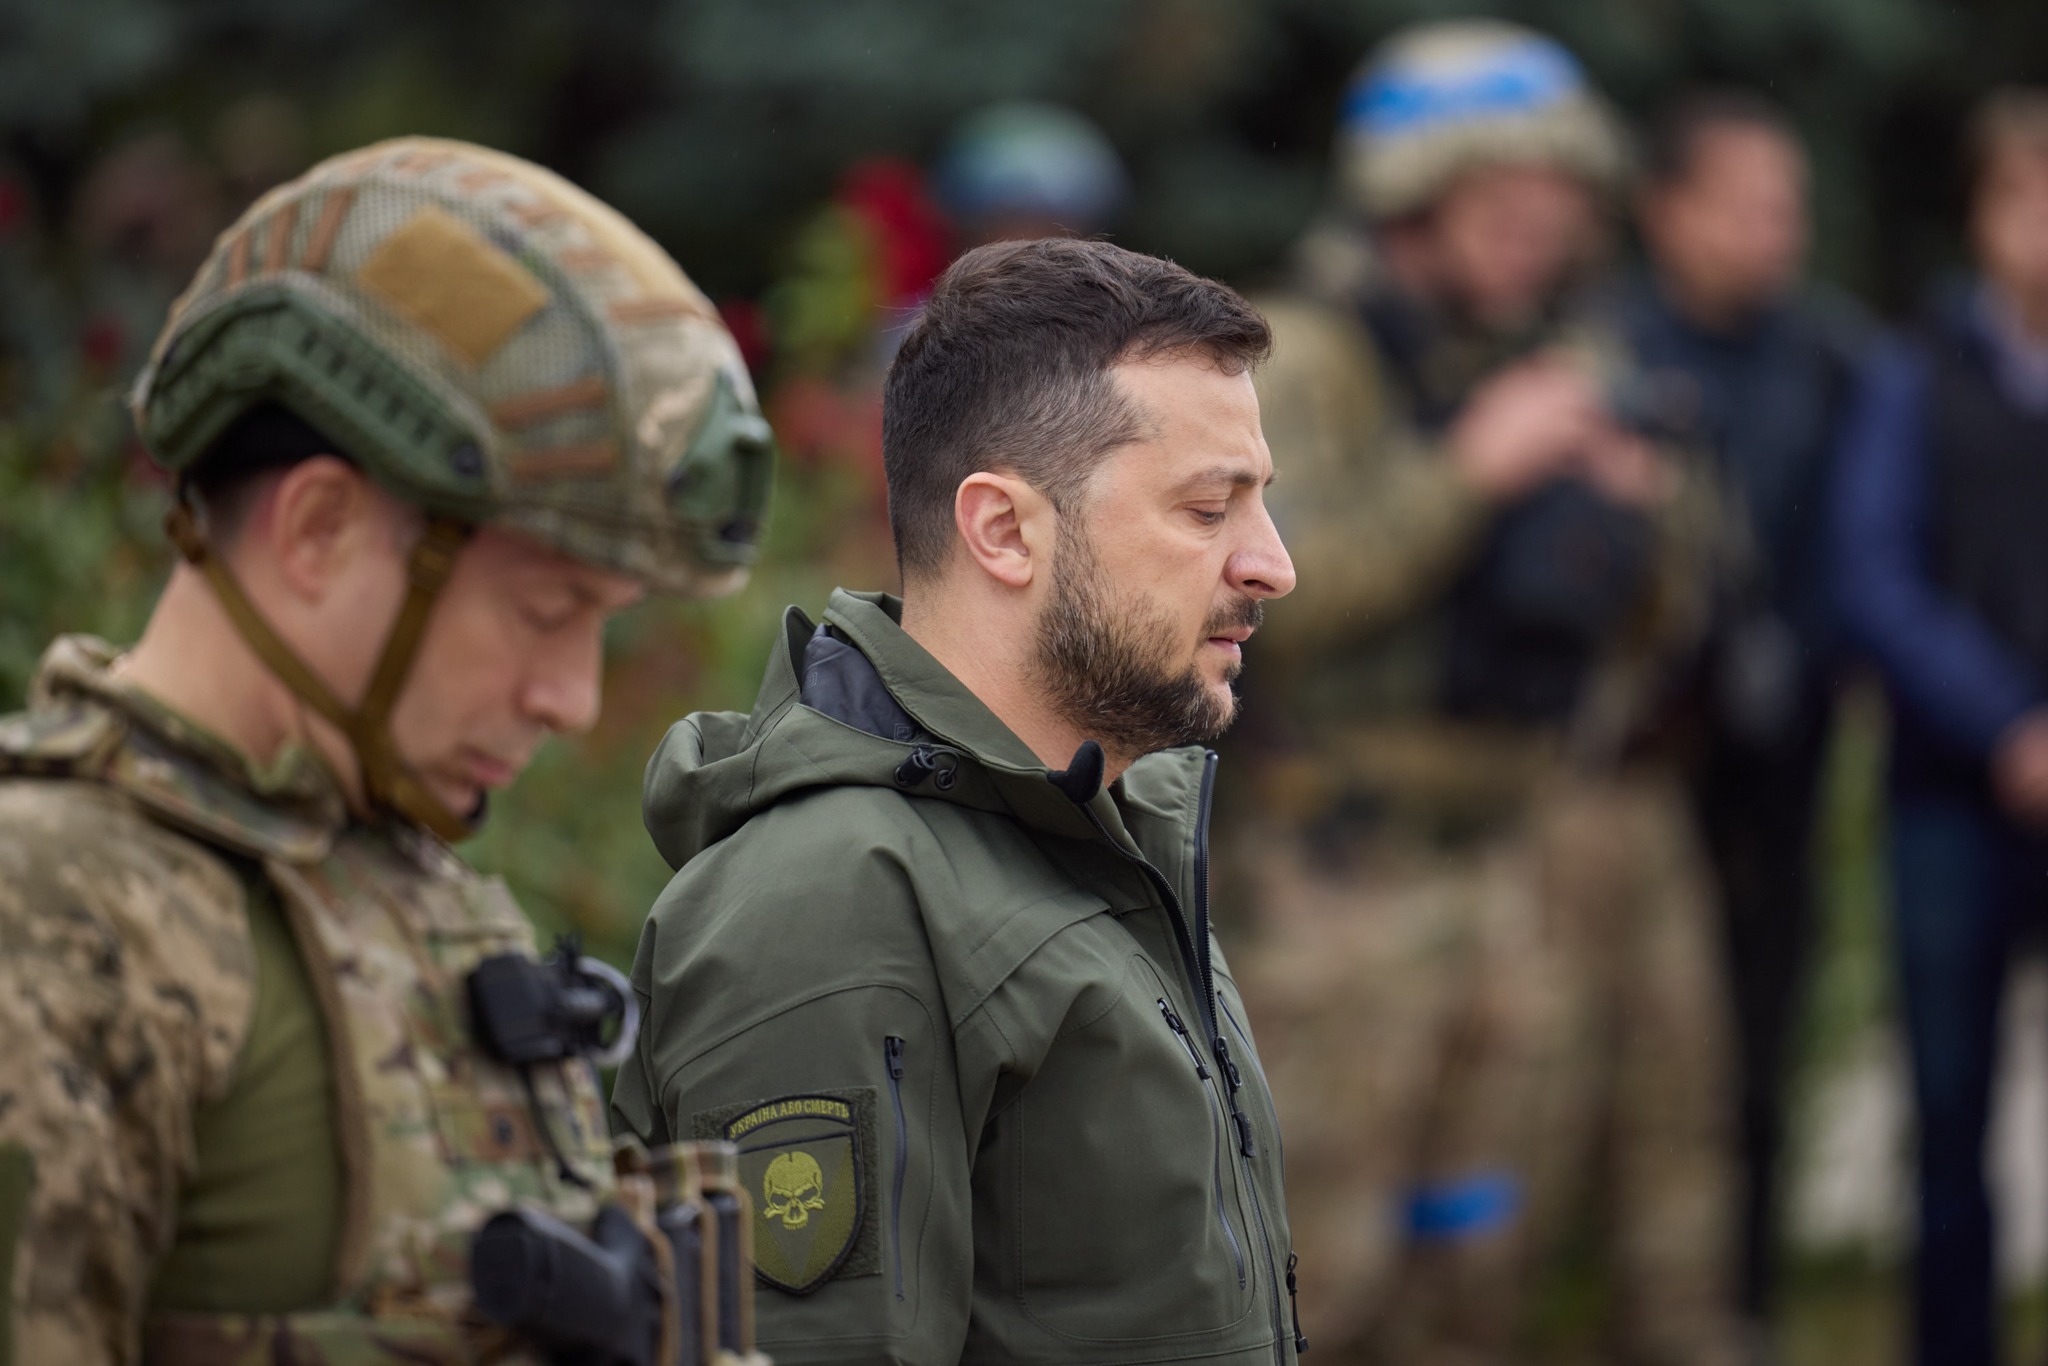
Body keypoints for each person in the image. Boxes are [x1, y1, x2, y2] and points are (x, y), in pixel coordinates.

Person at [0, 136, 772, 1363]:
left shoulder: (395, 881)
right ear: (318, 529)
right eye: (542, 609)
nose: (574, 699)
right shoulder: (51, 910)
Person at [610, 236, 1303, 1365]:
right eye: (1205, 509)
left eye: (1258, 504)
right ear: (1002, 529)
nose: (1271, 565)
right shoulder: (832, 903)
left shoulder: (1112, 832)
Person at [1228, 20, 1744, 1363]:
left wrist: (1636, 514)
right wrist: (1477, 470)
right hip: (1345, 880)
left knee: (1478, 1261)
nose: (1541, 234)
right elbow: (1274, 593)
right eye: (1505, 205)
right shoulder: (1306, 362)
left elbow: (1658, 623)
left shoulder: (1553, 356)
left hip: (1517, 869)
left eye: (1561, 209)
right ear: (1410, 200)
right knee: (1319, 1269)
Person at [1609, 89, 1870, 1327]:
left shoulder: (1835, 359)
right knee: (1631, 1043)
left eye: (1791, 207)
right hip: (1640, 768)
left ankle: (1741, 1303)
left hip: (1789, 755)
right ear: (1666, 212)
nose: (1780, 231)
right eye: (1750, 205)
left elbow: (1864, 548)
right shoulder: (1603, 352)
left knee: (1763, 1029)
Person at [1833, 87, 2048, 1366]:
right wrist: (2009, 725)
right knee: (1949, 1105)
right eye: (2022, 195)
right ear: (1977, 215)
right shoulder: (1911, 375)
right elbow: (1872, 575)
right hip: (1949, 798)